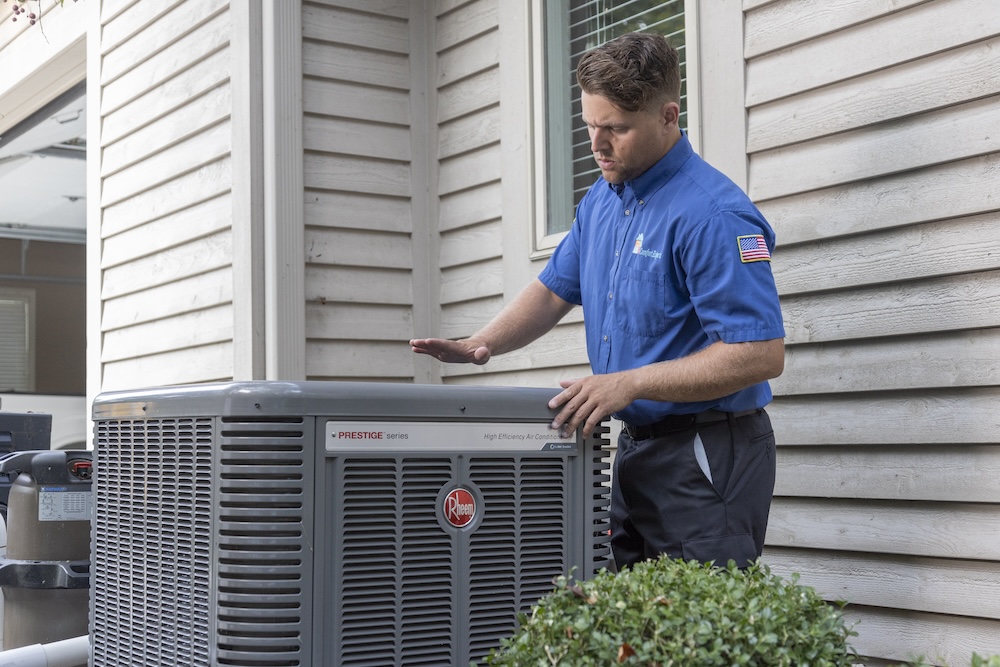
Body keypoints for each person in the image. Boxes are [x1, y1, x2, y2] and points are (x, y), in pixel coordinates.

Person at [410, 32, 785, 570]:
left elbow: (759, 354)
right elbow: (551, 291)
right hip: (635, 450)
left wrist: (628, 383)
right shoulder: (601, 204)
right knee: (629, 627)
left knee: (694, 630)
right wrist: (482, 343)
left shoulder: (713, 215)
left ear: (668, 116)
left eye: (615, 129)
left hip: (706, 454)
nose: (596, 143)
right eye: (589, 125)